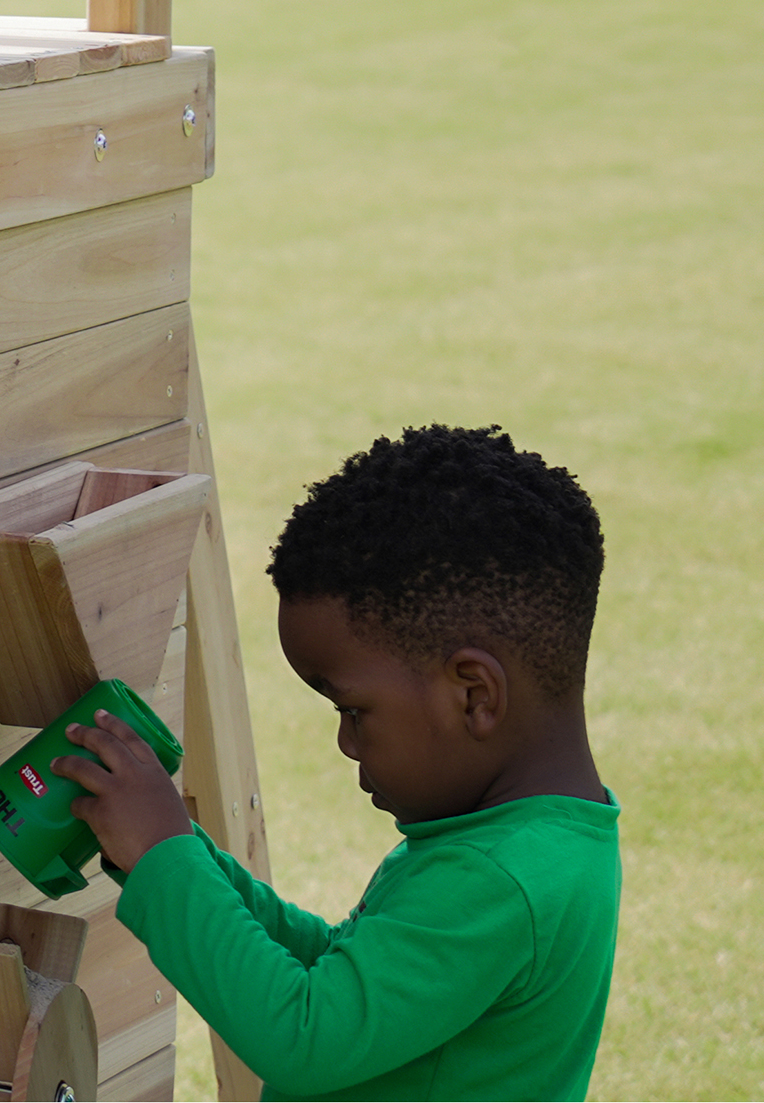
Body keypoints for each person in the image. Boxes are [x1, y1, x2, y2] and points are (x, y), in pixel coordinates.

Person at [58, 425, 622, 1102]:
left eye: (352, 710)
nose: (347, 743)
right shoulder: (536, 844)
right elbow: (337, 976)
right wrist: (181, 851)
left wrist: (163, 856)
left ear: (474, 694)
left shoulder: (494, 879)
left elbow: (304, 1033)